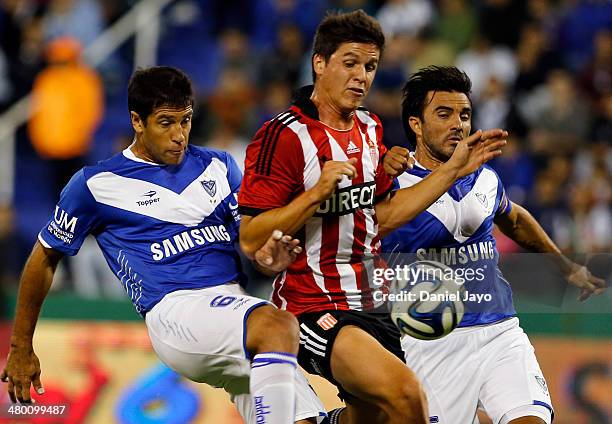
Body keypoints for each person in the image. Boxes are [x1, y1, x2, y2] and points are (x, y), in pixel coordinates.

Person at [0, 66, 327, 424]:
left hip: (234, 314)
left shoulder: (219, 166)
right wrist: (20, 346)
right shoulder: (96, 184)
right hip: (175, 311)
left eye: (185, 121)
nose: (179, 135)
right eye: (166, 122)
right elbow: (44, 258)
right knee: (278, 325)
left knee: (308, 419)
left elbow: (253, 248)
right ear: (137, 121)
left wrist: (268, 257)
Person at [238, 11, 507, 424]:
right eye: (350, 63)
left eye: (370, 66)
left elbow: (383, 215)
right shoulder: (283, 135)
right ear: (320, 63)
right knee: (406, 397)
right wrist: (314, 196)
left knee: (377, 415)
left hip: (377, 301)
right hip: (314, 304)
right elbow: (251, 237)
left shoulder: (369, 128)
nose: (361, 76)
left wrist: (453, 169)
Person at [381, 65, 607, 424]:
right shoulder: (391, 182)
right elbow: (378, 225)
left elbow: (514, 218)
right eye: (444, 113)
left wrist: (567, 267)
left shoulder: (484, 177)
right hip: (430, 341)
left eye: (465, 114)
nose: (458, 123)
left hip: (499, 331)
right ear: (415, 124)